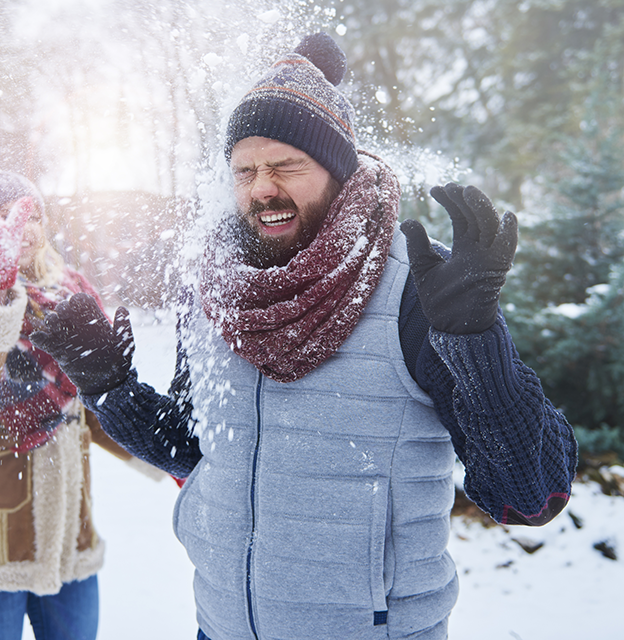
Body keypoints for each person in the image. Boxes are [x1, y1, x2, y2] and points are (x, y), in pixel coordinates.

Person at [29, 33, 578, 640]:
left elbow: (530, 493)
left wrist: (476, 346)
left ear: (338, 172)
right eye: (245, 170)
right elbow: (196, 453)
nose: (262, 187)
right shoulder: (220, 292)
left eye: (286, 166)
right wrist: (110, 385)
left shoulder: (423, 291)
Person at [0, 170, 163, 640]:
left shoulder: (70, 292)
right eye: (5, 215)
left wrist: (167, 460)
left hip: (68, 533)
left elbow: (96, 403)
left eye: (30, 213)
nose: (23, 226)